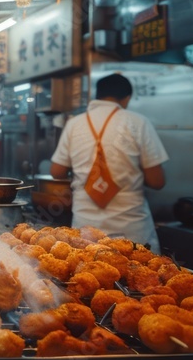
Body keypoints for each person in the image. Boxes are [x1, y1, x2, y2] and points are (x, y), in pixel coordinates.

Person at [49, 74, 168, 251]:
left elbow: (56, 171)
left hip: (86, 232)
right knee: (140, 275)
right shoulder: (138, 122)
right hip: (132, 233)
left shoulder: (74, 124)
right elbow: (157, 181)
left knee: (87, 275)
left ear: (98, 96)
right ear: (126, 99)